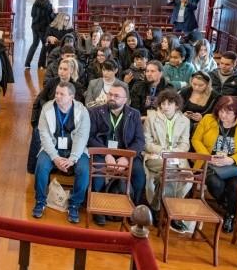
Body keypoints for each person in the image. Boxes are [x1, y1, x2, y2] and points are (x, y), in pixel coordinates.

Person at [192, 95, 237, 233]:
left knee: (235, 184)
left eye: (228, 113)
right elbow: (196, 140)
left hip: (235, 165)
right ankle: (228, 205)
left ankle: (230, 216)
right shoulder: (208, 119)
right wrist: (208, 157)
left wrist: (231, 159)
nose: (223, 115)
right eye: (221, 111)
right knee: (214, 182)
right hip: (210, 162)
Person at [87, 81, 146, 224]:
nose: (112, 97)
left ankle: (134, 210)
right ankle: (98, 210)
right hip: (102, 152)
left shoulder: (134, 114)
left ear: (125, 100)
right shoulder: (95, 112)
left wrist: (126, 157)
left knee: (139, 175)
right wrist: (107, 154)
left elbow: (139, 141)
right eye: (110, 94)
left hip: (126, 154)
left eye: (116, 96)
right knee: (98, 173)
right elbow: (90, 137)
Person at [33, 81, 91, 223]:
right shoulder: (47, 108)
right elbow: (44, 136)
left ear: (72, 97)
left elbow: (82, 136)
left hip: (75, 150)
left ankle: (74, 204)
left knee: (84, 170)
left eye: (62, 94)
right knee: (41, 165)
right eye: (57, 93)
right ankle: (40, 201)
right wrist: (55, 157)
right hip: (53, 148)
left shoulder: (82, 111)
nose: (57, 96)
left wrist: (72, 158)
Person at [142, 89, 191, 231]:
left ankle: (156, 208)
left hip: (176, 157)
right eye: (163, 103)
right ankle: (172, 215)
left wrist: (173, 153)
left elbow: (185, 144)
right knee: (171, 173)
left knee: (167, 176)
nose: (165, 107)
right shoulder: (151, 118)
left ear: (177, 105)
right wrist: (163, 151)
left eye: (169, 104)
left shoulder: (185, 121)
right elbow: (146, 143)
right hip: (155, 156)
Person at [25, 0, 56, 69]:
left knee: (34, 44)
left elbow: (32, 15)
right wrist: (53, 12)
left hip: (34, 26)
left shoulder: (35, 4)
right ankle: (41, 64)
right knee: (44, 44)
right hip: (43, 28)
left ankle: (27, 63)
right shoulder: (48, 5)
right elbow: (50, 18)